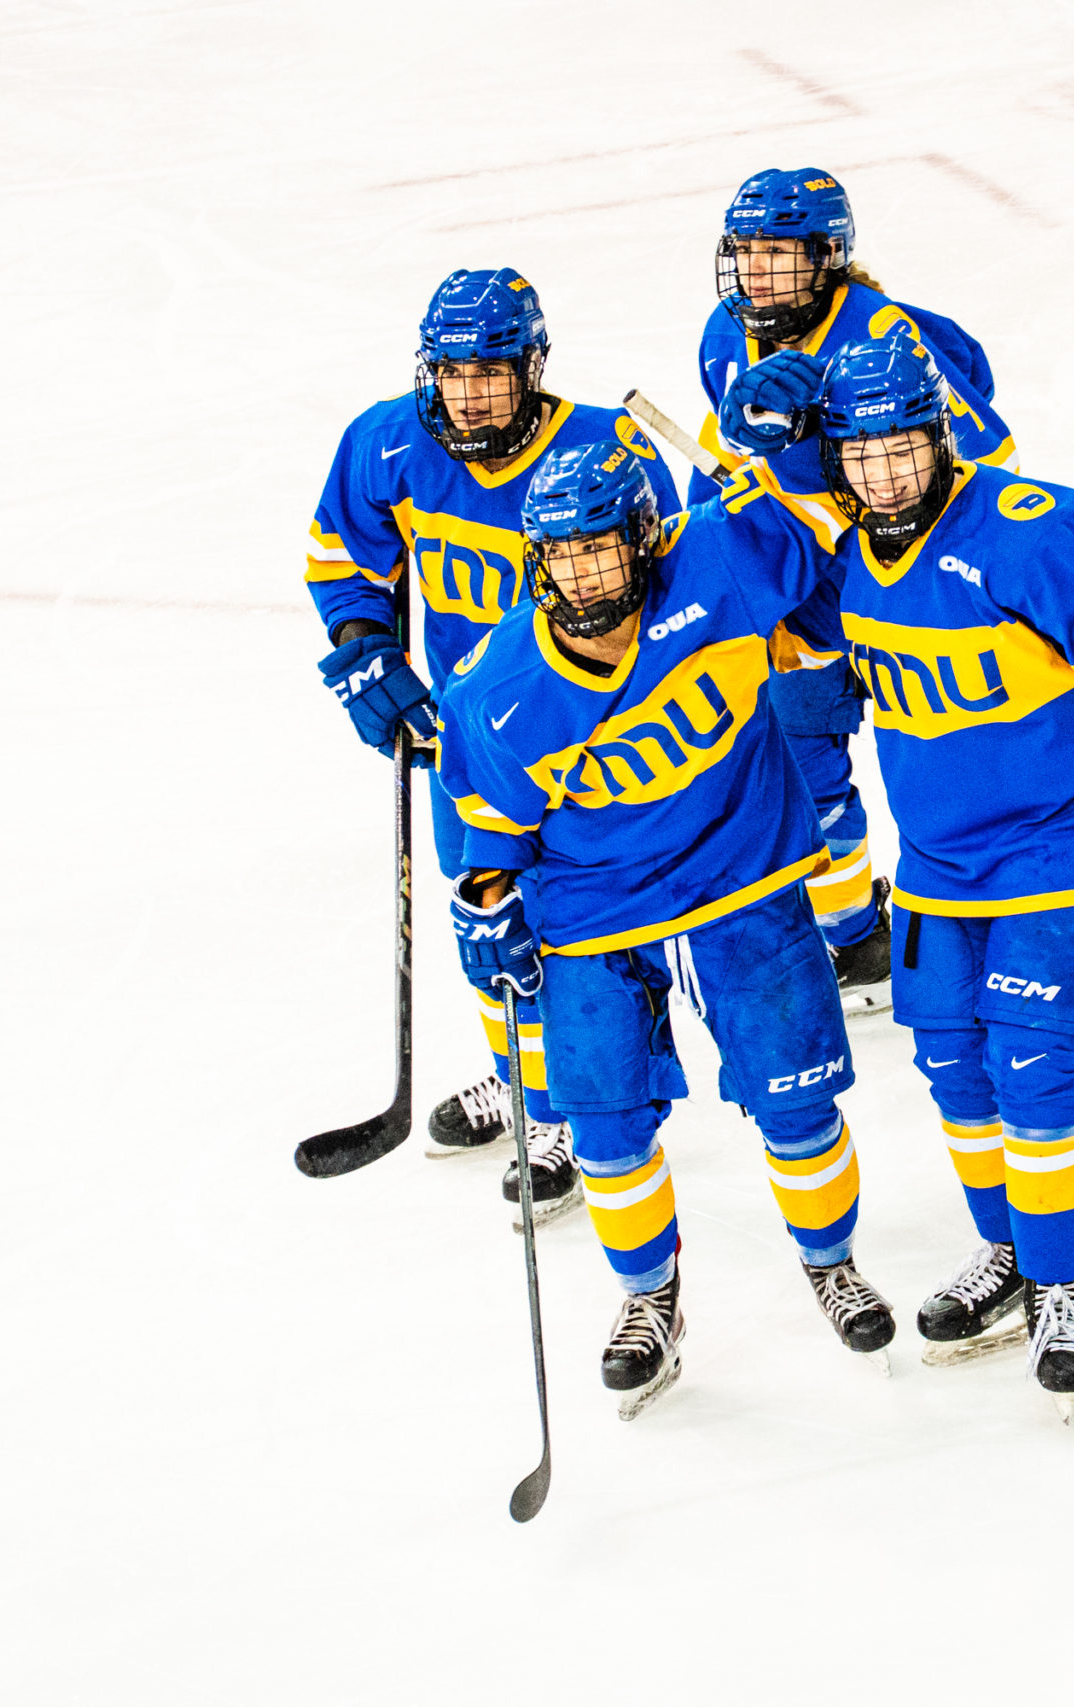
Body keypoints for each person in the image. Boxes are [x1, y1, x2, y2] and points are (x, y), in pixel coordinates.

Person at [766, 337, 1074, 1409]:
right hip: (942, 861)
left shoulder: (1031, 530)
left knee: (1038, 1068)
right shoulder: (841, 551)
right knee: (958, 1071)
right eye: (862, 455)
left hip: (1068, 846)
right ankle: (1008, 1254)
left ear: (942, 438)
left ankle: (1057, 1286)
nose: (886, 476)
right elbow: (799, 655)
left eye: (906, 450)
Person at [434, 439, 897, 1417]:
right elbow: (484, 835)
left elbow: (840, 558)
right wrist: (484, 908)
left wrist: (780, 479)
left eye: (601, 550)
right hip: (590, 916)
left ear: (648, 541)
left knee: (797, 1107)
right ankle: (649, 1298)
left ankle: (831, 1263)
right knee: (602, 1131)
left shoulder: (719, 559)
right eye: (560, 555)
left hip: (741, 884)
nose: (583, 575)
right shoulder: (498, 688)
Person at [303, 267, 680, 1227]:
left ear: (533, 367)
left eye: (492, 371)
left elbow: (670, 586)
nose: (469, 394)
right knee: (487, 917)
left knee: (576, 924)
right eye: (454, 372)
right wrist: (364, 650)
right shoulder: (388, 439)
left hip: (595, 741)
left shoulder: (605, 450)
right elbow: (342, 557)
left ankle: (578, 1105)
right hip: (471, 742)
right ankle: (529, 1081)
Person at [689, 168, 1018, 1017]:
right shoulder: (726, 336)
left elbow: (986, 467)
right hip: (802, 601)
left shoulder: (886, 337)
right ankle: (854, 937)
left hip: (902, 594)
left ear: (828, 256)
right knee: (804, 772)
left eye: (778, 253)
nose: (756, 273)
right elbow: (733, 460)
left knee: (970, 771)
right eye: (746, 252)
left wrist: (811, 468)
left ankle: (1055, 882)